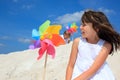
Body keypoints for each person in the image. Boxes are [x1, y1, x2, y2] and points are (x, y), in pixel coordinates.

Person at [66, 10, 120, 80]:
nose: (80, 27)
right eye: (81, 24)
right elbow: (71, 65)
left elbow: (93, 70)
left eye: (84, 25)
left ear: (96, 28)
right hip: (79, 74)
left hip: (98, 75)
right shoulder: (77, 42)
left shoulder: (106, 45)